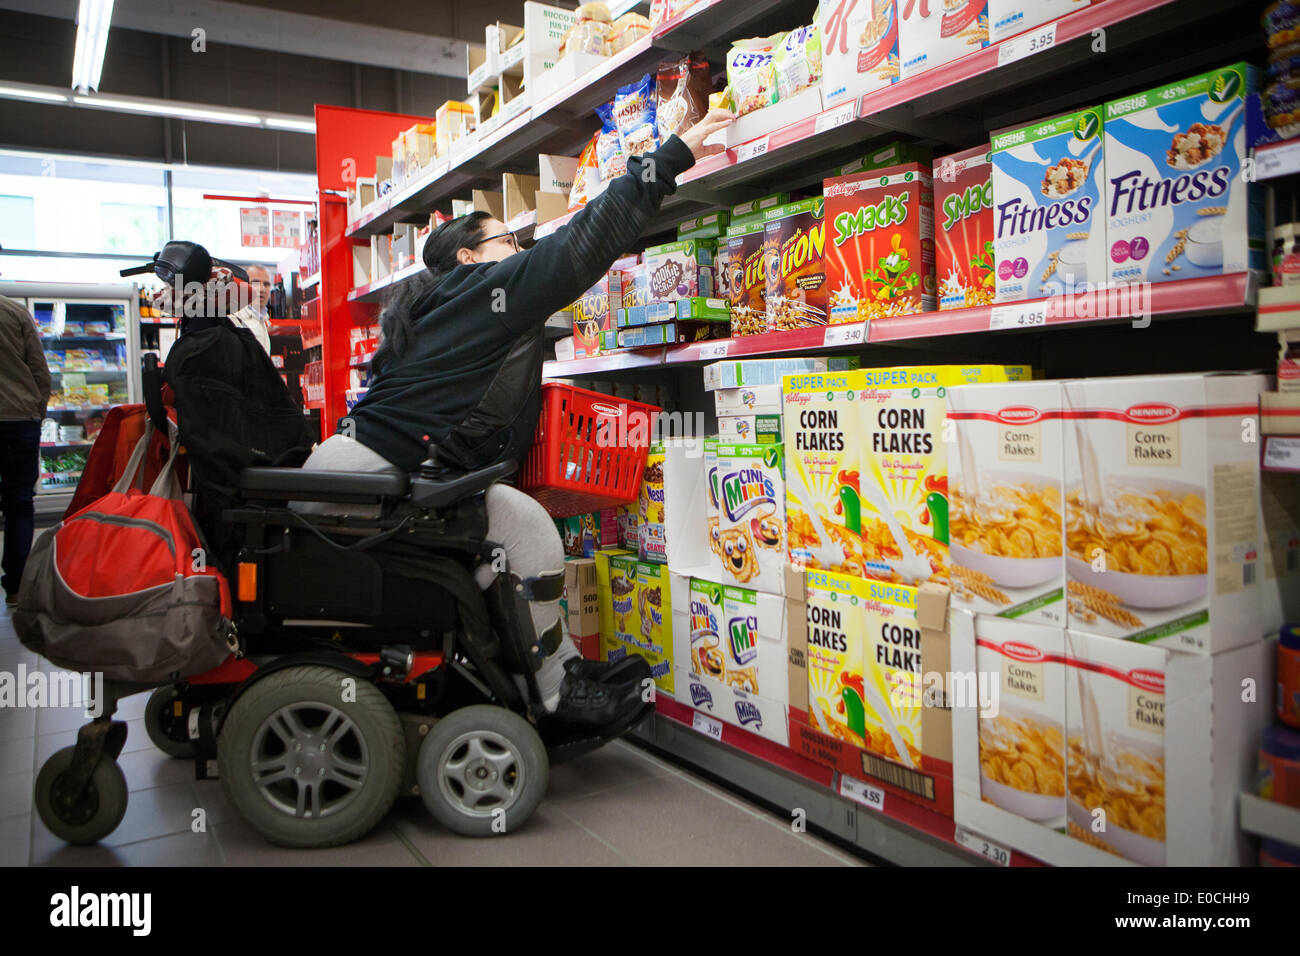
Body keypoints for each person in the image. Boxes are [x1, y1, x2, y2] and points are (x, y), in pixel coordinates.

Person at [302, 108, 734, 731]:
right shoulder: (484, 293)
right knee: (525, 536)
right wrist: (668, 159)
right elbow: (579, 246)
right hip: (371, 486)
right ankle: (555, 699)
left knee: (512, 529)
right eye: (508, 240)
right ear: (473, 258)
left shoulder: (436, 307)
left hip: (356, 476)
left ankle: (537, 676)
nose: (521, 249)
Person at [0, 294, 51, 605]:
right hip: (18, 419)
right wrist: (36, 412)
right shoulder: (15, 312)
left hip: (19, 417)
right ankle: (16, 585)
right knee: (19, 502)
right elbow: (39, 371)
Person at [229, 264, 273, 355]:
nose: (262, 289)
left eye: (266, 284)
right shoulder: (233, 320)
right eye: (255, 283)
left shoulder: (263, 320)